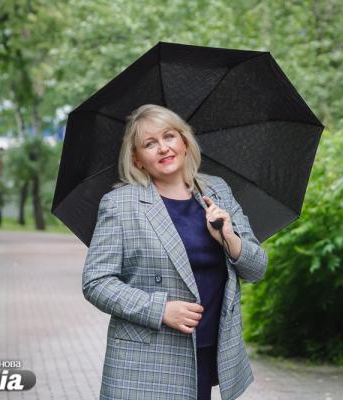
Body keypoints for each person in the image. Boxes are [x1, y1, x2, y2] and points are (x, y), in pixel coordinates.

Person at [82, 104, 268, 400]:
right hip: (147, 359)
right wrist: (160, 310)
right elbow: (96, 282)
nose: (163, 148)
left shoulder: (217, 191)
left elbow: (257, 269)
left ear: (184, 141)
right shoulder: (120, 205)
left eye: (169, 136)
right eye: (149, 143)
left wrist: (229, 238)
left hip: (207, 348)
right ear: (137, 159)